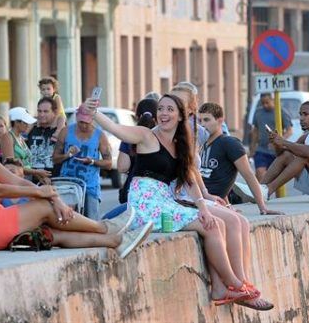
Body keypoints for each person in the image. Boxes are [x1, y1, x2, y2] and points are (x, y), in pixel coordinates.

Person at [84, 94, 273, 309]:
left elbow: (189, 179)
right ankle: (234, 284)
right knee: (212, 226)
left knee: (214, 221)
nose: (164, 113)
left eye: (170, 109)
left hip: (165, 199)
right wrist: (95, 113)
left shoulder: (180, 144)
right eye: (161, 109)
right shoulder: (146, 135)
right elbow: (117, 129)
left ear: (180, 116)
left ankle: (223, 287)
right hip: (146, 202)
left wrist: (203, 206)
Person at [0, 100, 152, 257]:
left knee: (53, 233)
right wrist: (40, 193)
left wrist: (54, 197)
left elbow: (16, 181)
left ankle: (116, 241)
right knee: (42, 208)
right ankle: (105, 227)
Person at [198, 102, 282, 216]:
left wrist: (263, 208)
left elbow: (249, 175)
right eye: (200, 121)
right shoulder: (201, 144)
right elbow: (216, 174)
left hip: (208, 204)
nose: (202, 124)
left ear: (220, 120)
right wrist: (227, 206)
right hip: (195, 199)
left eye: (206, 120)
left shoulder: (230, 143)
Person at [53, 105, 112, 219]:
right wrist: (68, 155)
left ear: (92, 120)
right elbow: (55, 158)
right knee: (66, 221)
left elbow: (109, 164)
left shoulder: (100, 136)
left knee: (91, 223)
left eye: (87, 122)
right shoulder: (65, 132)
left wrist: (92, 161)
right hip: (67, 185)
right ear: (76, 117)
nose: (84, 125)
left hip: (90, 186)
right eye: (81, 122)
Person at [117, 98, 159, 205]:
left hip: (133, 191)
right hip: (158, 193)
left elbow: (122, 167)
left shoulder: (129, 135)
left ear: (137, 116)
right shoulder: (163, 136)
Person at [1, 107, 51, 183]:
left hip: (25, 179)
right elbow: (10, 166)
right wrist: (37, 172)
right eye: (25, 122)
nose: (27, 125)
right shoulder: (8, 137)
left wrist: (39, 176)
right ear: (16, 122)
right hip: (15, 181)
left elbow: (27, 163)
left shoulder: (21, 138)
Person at [250, 93, 293, 181]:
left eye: (267, 102)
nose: (265, 105)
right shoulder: (258, 112)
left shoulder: (281, 112)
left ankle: (278, 195)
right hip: (261, 149)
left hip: (276, 151)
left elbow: (289, 130)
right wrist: (252, 147)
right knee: (260, 173)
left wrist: (280, 141)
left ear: (273, 100)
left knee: (276, 179)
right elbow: (255, 130)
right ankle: (262, 194)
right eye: (263, 103)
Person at [27, 97, 59, 179]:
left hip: (56, 180)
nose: (41, 114)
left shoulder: (60, 131)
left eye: (46, 111)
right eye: (39, 111)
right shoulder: (30, 130)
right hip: (32, 182)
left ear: (54, 112)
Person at [38, 77, 67, 142]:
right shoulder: (42, 100)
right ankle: (27, 133)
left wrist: (54, 121)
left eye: (48, 89)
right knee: (35, 119)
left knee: (61, 119)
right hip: (47, 117)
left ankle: (57, 133)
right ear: (40, 91)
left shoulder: (56, 97)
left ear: (54, 89)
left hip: (58, 116)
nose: (46, 92)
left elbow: (58, 111)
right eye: (43, 89)